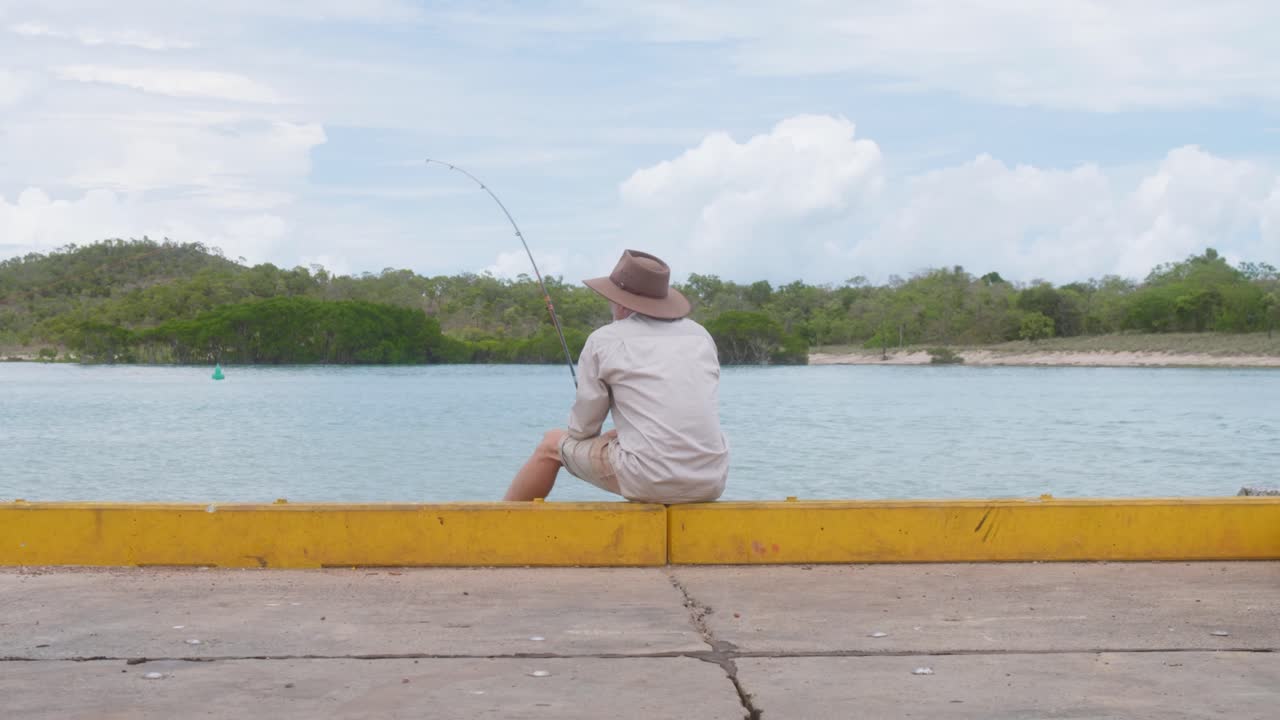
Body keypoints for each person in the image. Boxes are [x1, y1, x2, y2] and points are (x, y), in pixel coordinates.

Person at [503, 249, 729, 504]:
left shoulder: (603, 340)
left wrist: (598, 434)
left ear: (621, 303)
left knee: (551, 444)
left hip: (649, 479)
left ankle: (498, 527)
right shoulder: (700, 336)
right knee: (634, 449)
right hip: (712, 479)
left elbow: (582, 429)